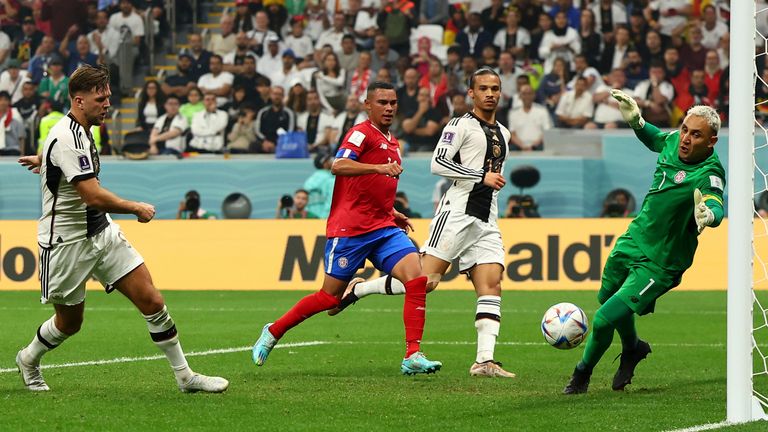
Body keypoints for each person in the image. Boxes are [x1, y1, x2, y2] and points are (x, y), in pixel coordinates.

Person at [15, 65, 228, 393]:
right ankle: (28, 358)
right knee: (70, 323)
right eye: (101, 98)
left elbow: (67, 157)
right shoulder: (68, 136)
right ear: (79, 100)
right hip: (66, 242)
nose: (107, 104)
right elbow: (92, 194)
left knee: (152, 300)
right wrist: (135, 207)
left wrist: (45, 159)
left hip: (101, 232)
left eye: (109, 97)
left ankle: (185, 376)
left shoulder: (80, 130)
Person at [327, 69, 515, 378]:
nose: (490, 93)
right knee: (424, 283)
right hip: (456, 214)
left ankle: (484, 361)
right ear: (471, 93)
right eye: (483, 88)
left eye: (495, 87)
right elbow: (437, 163)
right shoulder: (459, 125)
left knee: (491, 284)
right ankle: (359, 290)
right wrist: (480, 176)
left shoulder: (504, 133)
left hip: (486, 218)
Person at [251, 81, 441, 375]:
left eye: (392, 103)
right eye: (382, 102)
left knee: (417, 280)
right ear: (368, 105)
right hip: (350, 230)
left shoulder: (393, 141)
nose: (389, 108)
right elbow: (338, 165)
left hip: (383, 227)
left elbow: (371, 189)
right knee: (329, 298)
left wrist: (393, 212)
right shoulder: (360, 133)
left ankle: (412, 354)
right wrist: (379, 168)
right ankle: (274, 331)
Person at [563, 91, 725, 395]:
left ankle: (581, 375)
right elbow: (657, 140)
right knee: (607, 299)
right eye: (685, 129)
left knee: (603, 318)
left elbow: (716, 203)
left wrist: (709, 215)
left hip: (661, 261)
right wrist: (637, 122)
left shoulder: (710, 172)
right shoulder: (675, 140)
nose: (687, 138)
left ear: (711, 141)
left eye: (696, 135)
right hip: (633, 239)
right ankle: (633, 348)